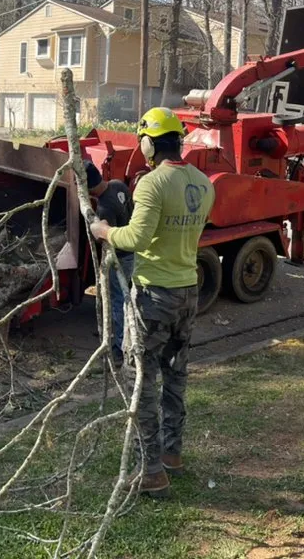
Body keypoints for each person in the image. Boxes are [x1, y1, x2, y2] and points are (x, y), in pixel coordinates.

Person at [89, 107, 214, 499]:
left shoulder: (152, 184)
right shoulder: (203, 183)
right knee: (176, 374)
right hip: (188, 292)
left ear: (147, 142)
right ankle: (172, 453)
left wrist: (104, 230)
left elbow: (137, 239)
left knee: (141, 380)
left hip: (155, 296)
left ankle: (151, 471)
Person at [84, 161, 133, 367]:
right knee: (119, 296)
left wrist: (96, 228)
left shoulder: (105, 208)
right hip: (132, 252)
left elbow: (104, 238)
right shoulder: (118, 184)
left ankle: (120, 348)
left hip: (119, 257)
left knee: (117, 300)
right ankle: (110, 333)